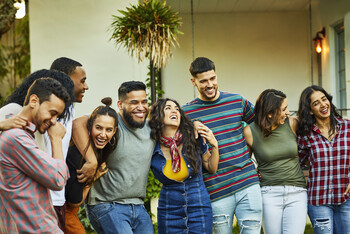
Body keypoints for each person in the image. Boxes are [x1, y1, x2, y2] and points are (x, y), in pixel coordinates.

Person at [182, 57, 262, 233]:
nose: (209, 84)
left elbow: (261, 126)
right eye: (203, 81)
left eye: (212, 79)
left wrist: (250, 153)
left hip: (247, 182)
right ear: (193, 82)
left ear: (216, 76)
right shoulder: (186, 113)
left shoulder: (237, 101)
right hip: (215, 189)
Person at [73, 81, 155, 233]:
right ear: (120, 104)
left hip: (138, 205)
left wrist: (194, 125)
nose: (141, 107)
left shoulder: (151, 128)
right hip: (107, 204)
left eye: (144, 102)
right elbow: (78, 124)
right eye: (134, 102)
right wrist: (92, 160)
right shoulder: (111, 126)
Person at [0, 78, 72, 233]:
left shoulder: (22, 136)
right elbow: (58, 179)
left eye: (57, 116)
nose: (53, 121)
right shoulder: (16, 139)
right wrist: (57, 139)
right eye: (52, 113)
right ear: (34, 100)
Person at [149, 98, 219, 233]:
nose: (174, 111)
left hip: (199, 208)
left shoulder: (193, 139)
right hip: (169, 211)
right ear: (158, 115)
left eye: (177, 108)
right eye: (168, 108)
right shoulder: (151, 146)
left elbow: (211, 167)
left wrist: (214, 145)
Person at [243, 89, 307, 234]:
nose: (288, 112)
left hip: (297, 191)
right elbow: (245, 163)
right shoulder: (250, 132)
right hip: (268, 193)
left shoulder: (292, 124)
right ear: (270, 113)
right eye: (284, 109)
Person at [297, 85, 350, 234]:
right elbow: (296, 164)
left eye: (324, 99)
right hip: (319, 201)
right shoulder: (306, 135)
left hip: (346, 199)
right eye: (316, 103)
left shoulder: (347, 127)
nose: (323, 105)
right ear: (309, 110)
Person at [64, 97, 118, 234]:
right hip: (63, 212)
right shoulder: (80, 156)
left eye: (108, 130)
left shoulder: (96, 151)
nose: (103, 134)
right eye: (98, 128)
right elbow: (74, 202)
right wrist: (93, 178)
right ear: (90, 126)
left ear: (115, 130)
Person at [49, 57, 90, 231]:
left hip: (60, 198)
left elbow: (78, 124)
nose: (86, 86)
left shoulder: (69, 109)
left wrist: (92, 160)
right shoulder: (47, 114)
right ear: (65, 79)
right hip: (45, 200)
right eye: (82, 81)